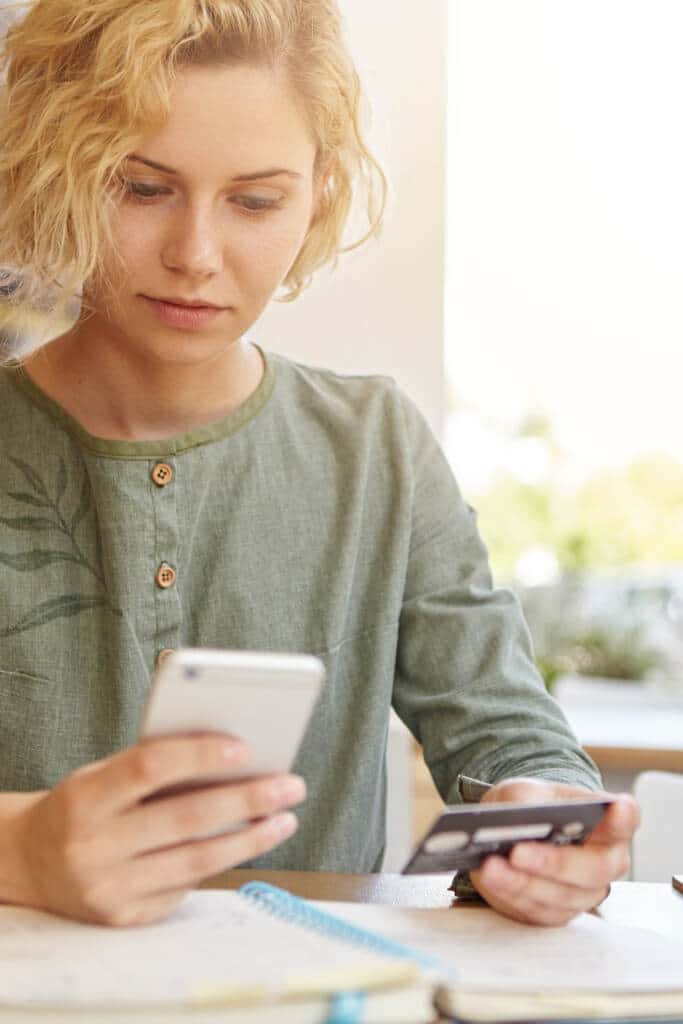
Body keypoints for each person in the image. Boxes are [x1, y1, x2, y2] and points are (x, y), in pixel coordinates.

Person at [0, 0, 638, 928]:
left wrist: (540, 821)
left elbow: (504, 726)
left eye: (255, 201)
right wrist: (21, 848)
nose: (196, 255)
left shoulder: (376, 445)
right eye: (141, 188)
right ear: (50, 169)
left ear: (318, 193)